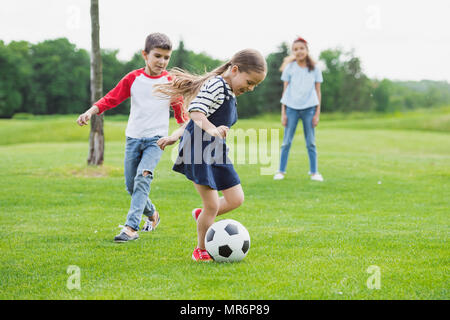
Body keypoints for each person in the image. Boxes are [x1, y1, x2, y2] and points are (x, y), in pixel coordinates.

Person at [155, 49, 267, 261]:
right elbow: (196, 112)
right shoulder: (216, 84)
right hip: (197, 150)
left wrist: (175, 135)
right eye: (249, 82)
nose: (250, 88)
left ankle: (202, 217)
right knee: (212, 205)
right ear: (235, 70)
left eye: (255, 85)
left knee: (235, 199)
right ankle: (201, 249)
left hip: (216, 151)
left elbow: (193, 120)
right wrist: (212, 130)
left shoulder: (230, 91)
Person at [76, 33, 188, 242]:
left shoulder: (170, 82)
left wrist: (182, 133)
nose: (162, 62)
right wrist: (90, 112)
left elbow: (182, 115)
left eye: (166, 57)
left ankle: (130, 228)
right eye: (157, 56)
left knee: (143, 177)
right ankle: (153, 214)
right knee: (131, 185)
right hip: (133, 139)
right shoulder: (133, 79)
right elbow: (111, 98)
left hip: (157, 141)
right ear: (145, 55)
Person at [273, 36, 324, 182]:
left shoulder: (314, 69)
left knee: (311, 142)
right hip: (291, 109)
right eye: (295, 49)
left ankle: (314, 172)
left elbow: (318, 91)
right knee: (286, 141)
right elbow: (285, 91)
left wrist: (317, 113)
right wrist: (283, 113)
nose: (299, 51)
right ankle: (281, 171)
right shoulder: (289, 68)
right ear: (292, 52)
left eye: (301, 48)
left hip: (309, 109)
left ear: (307, 50)